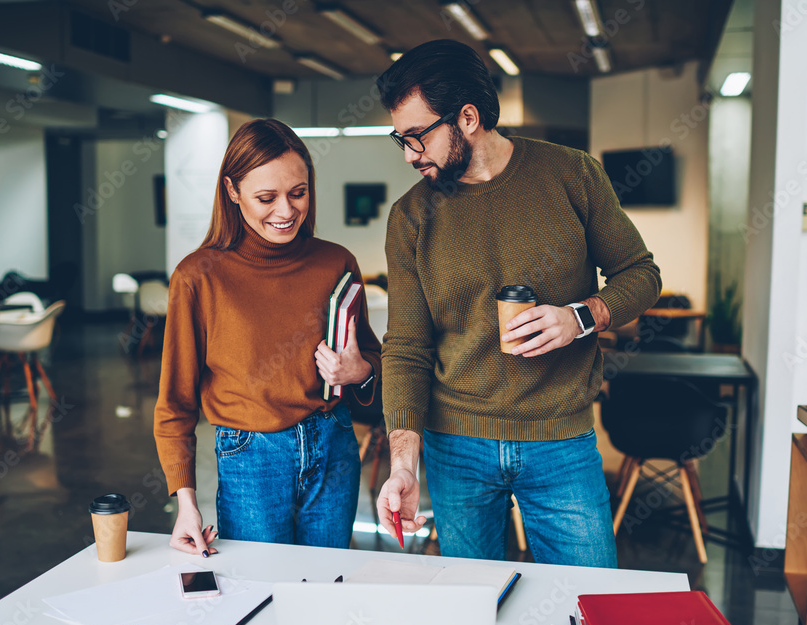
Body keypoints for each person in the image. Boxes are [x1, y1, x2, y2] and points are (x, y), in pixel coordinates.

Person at [374, 40, 661, 567]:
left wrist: (580, 318)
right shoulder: (411, 216)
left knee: (587, 597)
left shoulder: (572, 174)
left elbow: (640, 274)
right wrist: (404, 464)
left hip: (561, 439)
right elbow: (408, 347)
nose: (411, 155)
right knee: (474, 601)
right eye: (401, 140)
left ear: (467, 118)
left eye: (418, 136)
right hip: (455, 445)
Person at [154, 118, 381, 557]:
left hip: (334, 444)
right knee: (259, 586)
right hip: (252, 459)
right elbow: (175, 403)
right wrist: (185, 502)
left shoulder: (336, 263)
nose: (286, 211)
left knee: (327, 583)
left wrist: (360, 370)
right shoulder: (197, 277)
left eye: (298, 193)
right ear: (232, 190)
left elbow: (372, 359)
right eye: (266, 197)